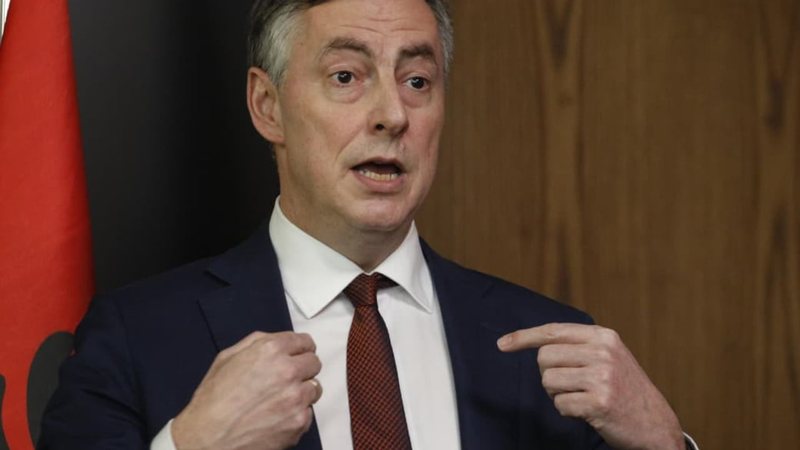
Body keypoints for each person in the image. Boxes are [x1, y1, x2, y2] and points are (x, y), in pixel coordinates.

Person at [40, 0, 698, 449]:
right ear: (267, 106)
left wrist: (666, 442)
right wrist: (193, 445)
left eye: (418, 81)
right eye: (347, 76)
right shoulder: (135, 338)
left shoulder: (552, 350)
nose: (393, 114)